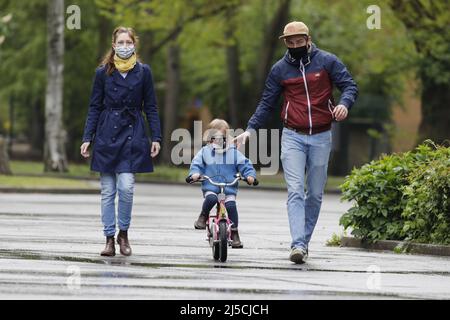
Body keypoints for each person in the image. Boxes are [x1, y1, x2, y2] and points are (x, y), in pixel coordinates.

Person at [234, 21, 358, 264]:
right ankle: (298, 244)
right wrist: (250, 129)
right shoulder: (280, 69)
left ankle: (304, 242)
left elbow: (349, 85)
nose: (295, 45)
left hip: (322, 135)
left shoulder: (327, 62)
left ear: (308, 39)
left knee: (314, 194)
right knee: (295, 191)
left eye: (299, 41)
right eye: (290, 43)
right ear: (285, 43)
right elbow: (267, 103)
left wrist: (344, 103)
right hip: (292, 136)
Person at [80, 26, 162, 257]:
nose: (125, 46)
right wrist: (88, 137)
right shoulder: (102, 73)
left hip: (133, 133)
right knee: (108, 191)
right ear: (113, 45)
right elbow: (94, 107)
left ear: (134, 44)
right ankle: (108, 239)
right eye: (121, 42)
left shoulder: (144, 72)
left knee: (126, 187)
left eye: (128, 42)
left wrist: (156, 136)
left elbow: (152, 107)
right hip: (107, 133)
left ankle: (123, 234)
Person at [187, 119, 257, 248]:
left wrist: (250, 175)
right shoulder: (205, 152)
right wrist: (195, 174)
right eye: (215, 137)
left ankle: (234, 232)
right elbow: (196, 163)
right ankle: (203, 215)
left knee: (231, 206)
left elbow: (245, 164)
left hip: (229, 187)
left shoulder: (233, 152)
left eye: (222, 138)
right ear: (210, 138)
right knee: (211, 198)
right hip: (211, 186)